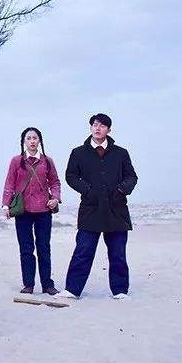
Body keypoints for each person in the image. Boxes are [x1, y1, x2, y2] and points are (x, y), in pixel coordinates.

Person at [59, 113, 138, 300]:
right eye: (95, 124)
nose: (98, 128)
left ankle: (120, 290)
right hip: (90, 208)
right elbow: (71, 176)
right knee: (83, 251)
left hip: (116, 209)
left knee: (118, 253)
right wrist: (87, 190)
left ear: (108, 130)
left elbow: (131, 177)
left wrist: (121, 189)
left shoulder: (121, 153)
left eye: (102, 125)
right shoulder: (78, 152)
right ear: (91, 127)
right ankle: (72, 290)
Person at [1, 127, 62, 295]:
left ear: (39, 141)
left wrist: (55, 198)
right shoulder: (16, 161)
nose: (32, 141)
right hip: (23, 211)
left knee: (44, 248)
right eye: (29, 138)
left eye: (35, 138)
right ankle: (28, 284)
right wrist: (6, 205)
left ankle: (47, 285)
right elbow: (9, 183)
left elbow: (55, 182)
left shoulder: (47, 161)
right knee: (26, 249)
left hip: (44, 210)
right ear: (24, 142)